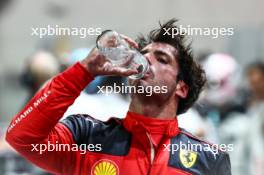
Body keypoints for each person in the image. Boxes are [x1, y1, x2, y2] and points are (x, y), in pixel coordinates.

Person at [5, 19, 231, 175]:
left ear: (181, 88)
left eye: (161, 59)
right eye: (143, 55)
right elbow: (21, 138)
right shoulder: (86, 135)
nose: (146, 61)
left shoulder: (209, 158)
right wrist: (83, 72)